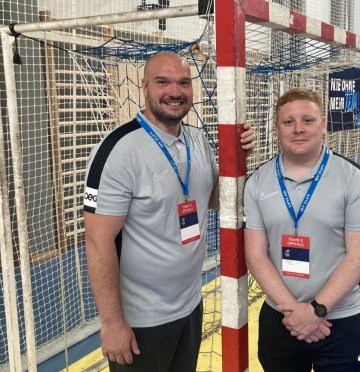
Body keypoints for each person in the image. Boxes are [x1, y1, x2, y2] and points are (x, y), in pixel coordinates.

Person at [83, 51, 254, 371]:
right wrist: (112, 323)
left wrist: (238, 155)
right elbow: (97, 241)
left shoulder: (197, 139)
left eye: (184, 82)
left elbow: (215, 200)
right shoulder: (119, 150)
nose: (175, 91)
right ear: (145, 86)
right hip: (141, 321)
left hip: (190, 306)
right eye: (163, 82)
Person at [244, 87, 360, 371]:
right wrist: (295, 312)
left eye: (308, 120)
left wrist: (316, 310)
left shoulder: (353, 179)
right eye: (288, 122)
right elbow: (255, 255)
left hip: (339, 320)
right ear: (277, 128)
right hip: (281, 319)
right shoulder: (257, 182)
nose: (298, 129)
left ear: (324, 125)